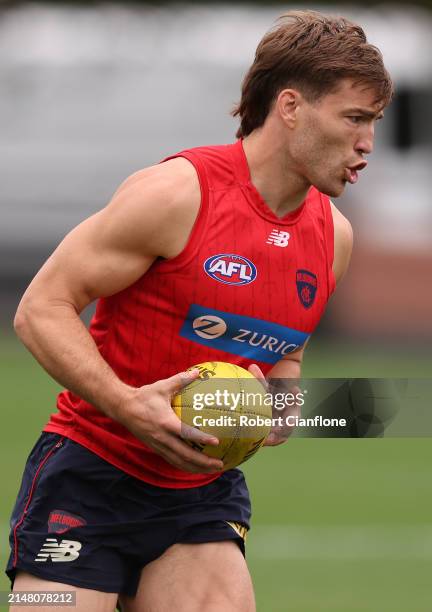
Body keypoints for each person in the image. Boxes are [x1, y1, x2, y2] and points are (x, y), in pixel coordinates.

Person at [6, 9, 392, 612]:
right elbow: (40, 309)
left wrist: (280, 408)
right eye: (355, 119)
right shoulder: (176, 194)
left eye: (372, 122)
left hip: (200, 498)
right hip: (88, 476)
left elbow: (286, 349)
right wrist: (128, 405)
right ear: (290, 107)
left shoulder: (333, 237)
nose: (368, 143)